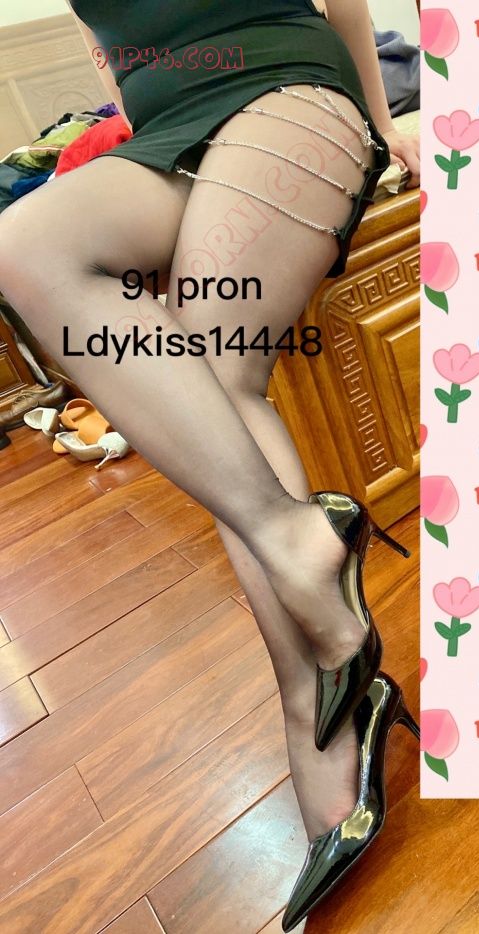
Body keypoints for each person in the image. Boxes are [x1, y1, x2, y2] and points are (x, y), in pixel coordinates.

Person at [0, 1, 420, 928]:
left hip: (281, 87)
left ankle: (313, 710)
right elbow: (103, 38)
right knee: (23, 246)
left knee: (221, 372)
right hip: (168, 135)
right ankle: (301, 548)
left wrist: (381, 118)